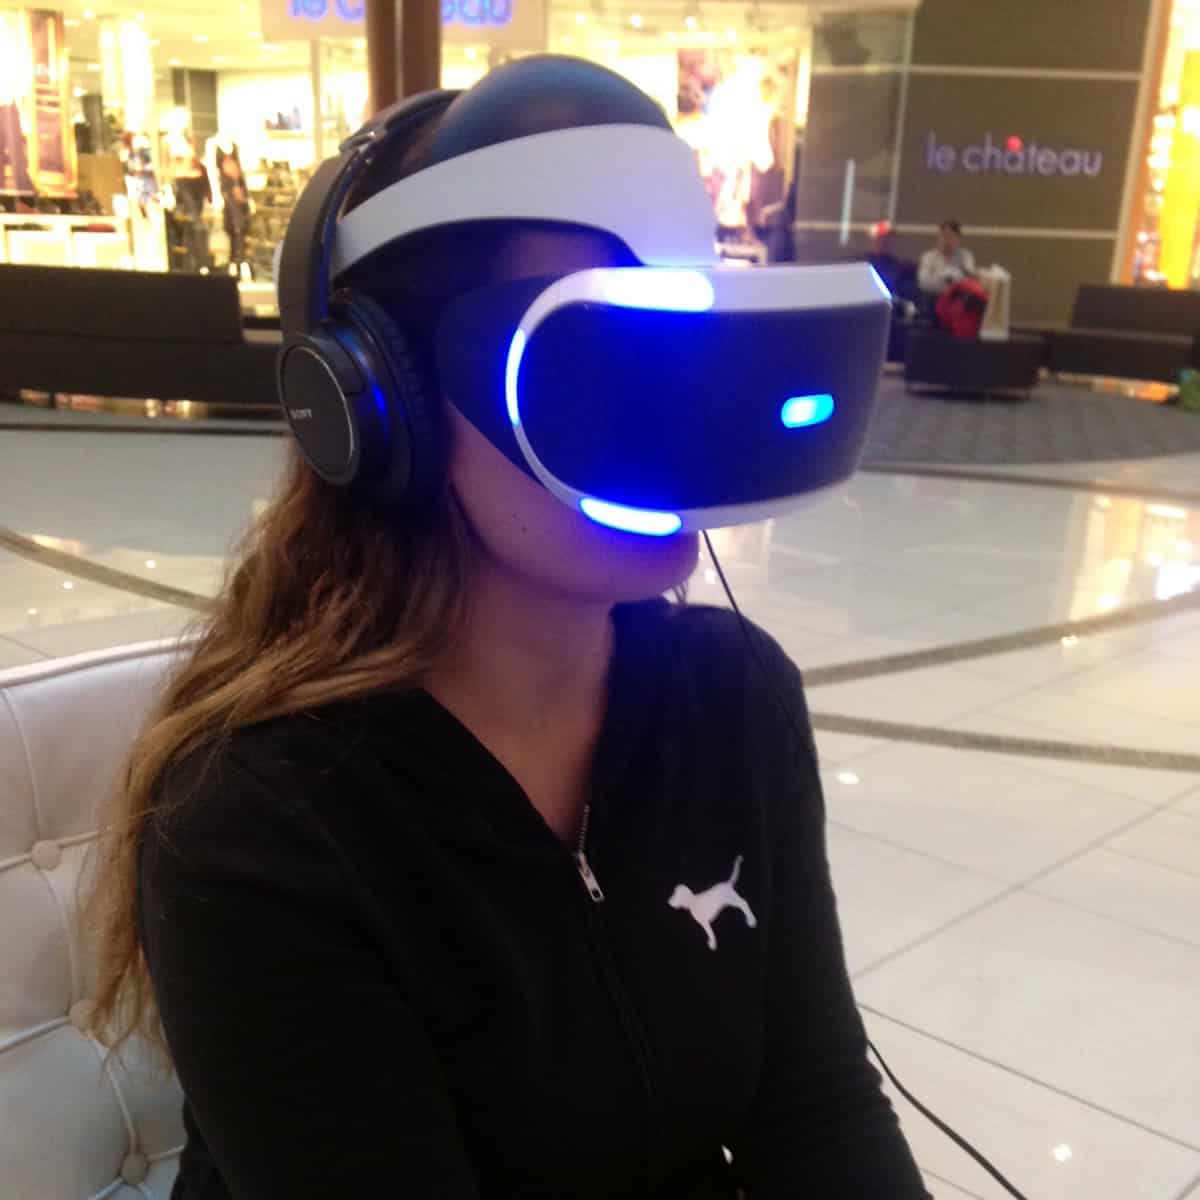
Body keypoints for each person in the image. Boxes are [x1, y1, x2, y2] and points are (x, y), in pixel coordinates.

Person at [86, 57, 930, 1200]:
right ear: (378, 403)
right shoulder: (257, 830)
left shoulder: (734, 700)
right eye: (611, 359)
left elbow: (816, 1109)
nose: (683, 426)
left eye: (693, 341)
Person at [918, 218, 975, 296]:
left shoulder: (965, 256)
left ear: (958, 239)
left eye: (951, 236)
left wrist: (951, 280)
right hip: (934, 296)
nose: (946, 240)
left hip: (958, 299)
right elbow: (923, 282)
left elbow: (969, 280)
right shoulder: (928, 256)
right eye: (944, 236)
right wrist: (946, 281)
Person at [866, 220, 917, 303]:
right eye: (881, 238)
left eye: (888, 238)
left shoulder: (904, 268)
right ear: (872, 240)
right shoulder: (859, 265)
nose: (884, 241)